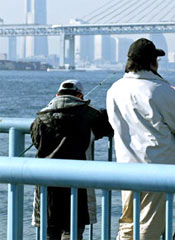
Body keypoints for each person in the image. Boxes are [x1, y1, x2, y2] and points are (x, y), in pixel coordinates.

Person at [106, 38, 175, 240]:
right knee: (149, 224)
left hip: (126, 166)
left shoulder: (114, 90)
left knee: (128, 222)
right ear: (152, 62)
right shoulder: (158, 89)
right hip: (156, 165)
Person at [30, 79, 113, 240]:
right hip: (77, 186)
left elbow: (35, 140)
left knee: (48, 232)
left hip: (47, 186)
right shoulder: (89, 115)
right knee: (73, 232)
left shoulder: (41, 116)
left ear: (57, 95)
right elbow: (106, 124)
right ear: (80, 95)